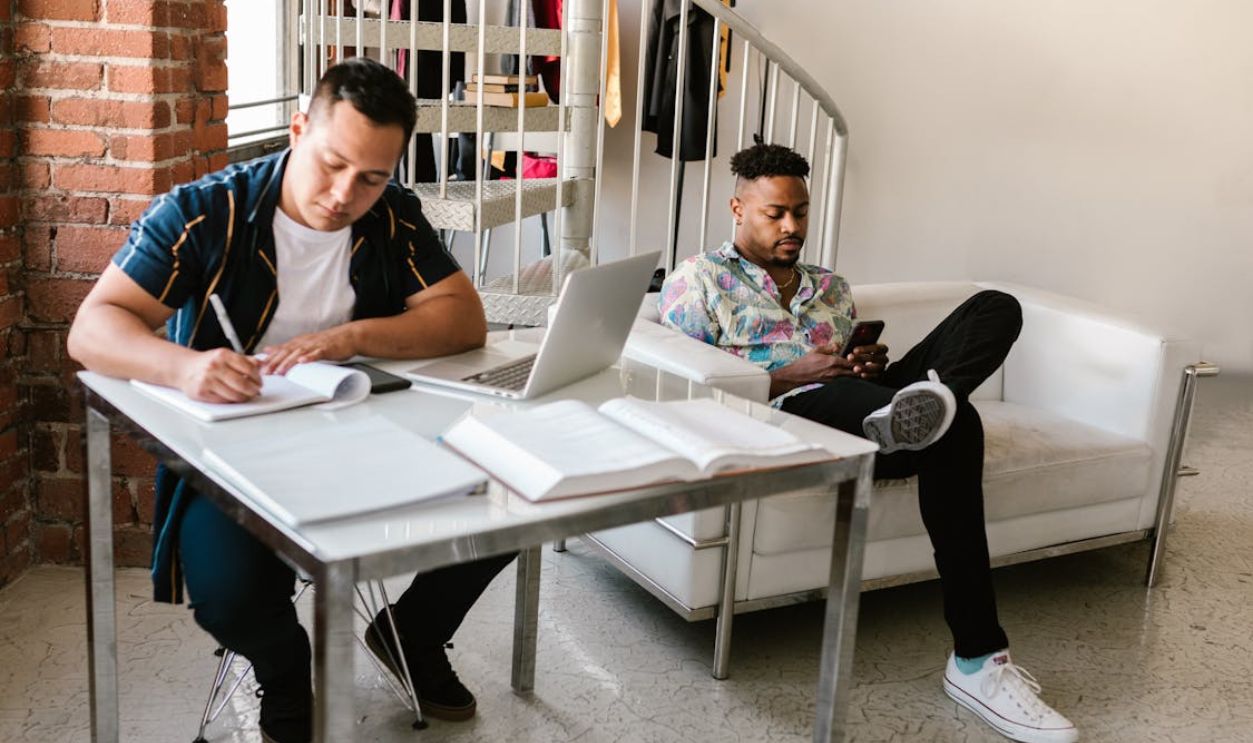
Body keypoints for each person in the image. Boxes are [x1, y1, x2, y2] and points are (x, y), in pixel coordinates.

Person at [67, 58, 514, 742]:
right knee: (232, 596)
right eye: (331, 163)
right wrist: (183, 367)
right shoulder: (203, 210)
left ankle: (412, 635)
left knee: (512, 495)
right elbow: (92, 328)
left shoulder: (392, 216)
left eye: (371, 176)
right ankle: (283, 670)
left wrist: (349, 337)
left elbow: (461, 317)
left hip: (367, 428)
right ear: (298, 127)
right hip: (236, 448)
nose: (343, 194)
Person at [658, 143, 1078, 743]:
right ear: (737, 207)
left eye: (800, 212)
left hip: (863, 401)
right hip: (791, 409)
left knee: (995, 307)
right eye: (775, 213)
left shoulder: (829, 285)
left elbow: (851, 364)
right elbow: (683, 382)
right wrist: (783, 374)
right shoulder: (698, 280)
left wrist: (867, 364)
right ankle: (977, 660)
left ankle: (930, 404)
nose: (792, 227)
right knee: (957, 432)